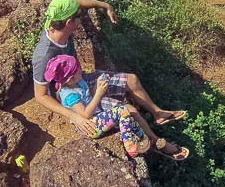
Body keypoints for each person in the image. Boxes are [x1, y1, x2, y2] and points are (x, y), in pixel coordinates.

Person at [32, 0, 189, 159]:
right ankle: (156, 143)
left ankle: (158, 113)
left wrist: (105, 5)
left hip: (80, 78)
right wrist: (74, 116)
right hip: (73, 94)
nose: (82, 17)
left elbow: (77, 2)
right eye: (79, 16)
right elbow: (41, 96)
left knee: (132, 79)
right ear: (69, 23)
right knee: (130, 111)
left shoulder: (56, 18)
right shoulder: (44, 55)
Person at [45, 54, 188, 160]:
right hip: (91, 125)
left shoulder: (78, 82)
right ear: (69, 79)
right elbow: (85, 114)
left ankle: (148, 141)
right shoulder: (69, 94)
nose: (81, 70)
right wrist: (99, 94)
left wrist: (96, 87)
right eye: (77, 70)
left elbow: (87, 98)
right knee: (124, 110)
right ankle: (132, 145)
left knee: (130, 115)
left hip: (98, 115)